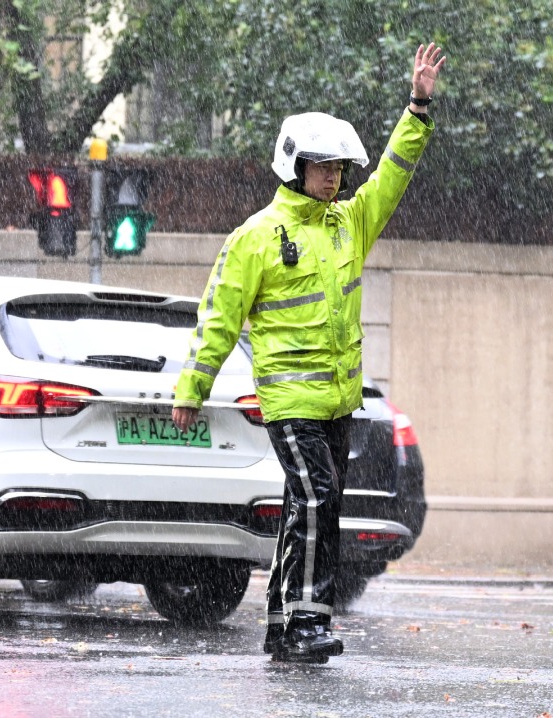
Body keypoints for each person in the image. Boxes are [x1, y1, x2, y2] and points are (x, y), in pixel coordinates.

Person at [173, 42, 446, 662]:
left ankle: (282, 623)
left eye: (339, 169)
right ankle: (306, 623)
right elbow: (218, 317)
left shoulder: (350, 223)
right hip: (290, 401)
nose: (335, 178)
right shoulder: (257, 237)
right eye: (323, 168)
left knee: (309, 505)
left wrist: (418, 107)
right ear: (294, 167)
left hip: (337, 402)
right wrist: (192, 388)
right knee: (319, 497)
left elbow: (394, 175)